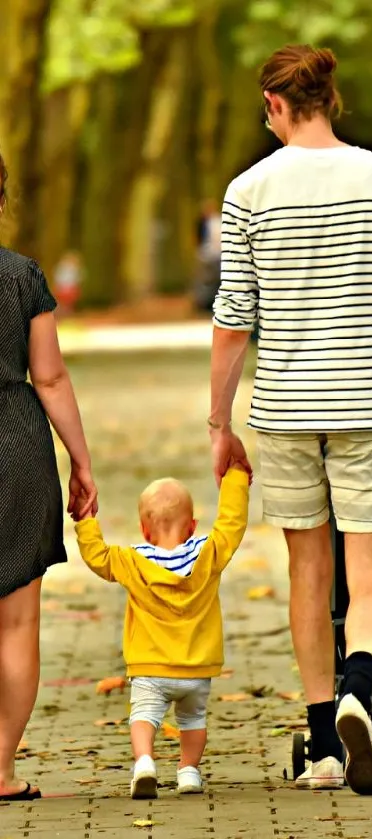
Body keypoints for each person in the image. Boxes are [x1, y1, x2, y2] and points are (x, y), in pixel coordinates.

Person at [209, 44, 372, 796]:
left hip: (285, 407)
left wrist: (218, 418)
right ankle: (361, 682)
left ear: (274, 106)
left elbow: (233, 318)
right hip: (366, 401)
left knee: (305, 569)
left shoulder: (248, 189)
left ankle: (323, 741)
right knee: (371, 572)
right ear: (332, 99)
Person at [0, 153, 97, 802]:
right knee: (16, 623)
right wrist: (82, 460)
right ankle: (0, 769)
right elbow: (51, 376)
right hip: (17, 449)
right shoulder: (22, 276)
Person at [74, 466, 249, 798]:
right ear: (193, 526)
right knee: (193, 720)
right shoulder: (208, 554)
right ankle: (189, 772)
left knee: (143, 716)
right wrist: (236, 478)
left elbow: (97, 558)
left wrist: (86, 520)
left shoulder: (132, 561)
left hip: (150, 668)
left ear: (143, 529)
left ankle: (144, 763)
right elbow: (232, 526)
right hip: (197, 669)